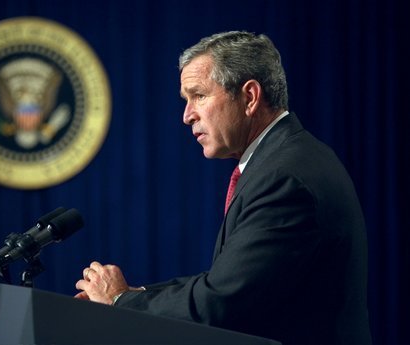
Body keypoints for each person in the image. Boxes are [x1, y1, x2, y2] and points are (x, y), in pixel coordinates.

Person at [75, 31, 371, 345]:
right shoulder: (287, 158)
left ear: (250, 97)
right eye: (186, 100)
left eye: (199, 95)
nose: (187, 115)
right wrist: (141, 296)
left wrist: (121, 303)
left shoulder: (284, 178)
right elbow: (229, 281)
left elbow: (221, 303)